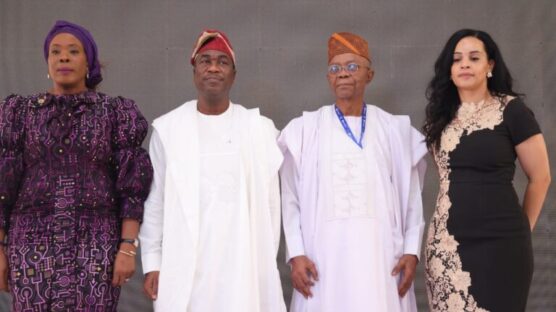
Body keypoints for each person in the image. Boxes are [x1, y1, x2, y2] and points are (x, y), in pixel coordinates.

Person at [0, 20, 153, 311]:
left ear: (89, 63)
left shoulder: (115, 113)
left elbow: (131, 187)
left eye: (73, 51)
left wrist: (127, 247)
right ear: (48, 62)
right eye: (55, 52)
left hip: (96, 248)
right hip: (31, 247)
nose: (64, 57)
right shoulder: (19, 113)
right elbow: (3, 186)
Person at [278, 32, 427, 312]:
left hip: (383, 258)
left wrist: (411, 250)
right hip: (322, 259)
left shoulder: (394, 130)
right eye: (335, 69)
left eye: (352, 67)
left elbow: (412, 197)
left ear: (369, 75)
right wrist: (296, 253)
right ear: (328, 78)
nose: (343, 74)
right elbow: (290, 198)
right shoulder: (305, 130)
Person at [139, 29, 286, 312]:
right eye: (205, 61)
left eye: (222, 61)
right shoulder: (169, 129)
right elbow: (156, 201)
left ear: (234, 73)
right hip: (185, 263)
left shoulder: (259, 129)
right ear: (194, 71)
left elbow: (271, 205)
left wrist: (264, 262)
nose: (214, 68)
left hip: (244, 263)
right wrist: (153, 262)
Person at [423, 29, 551, 312]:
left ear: (490, 65)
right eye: (457, 60)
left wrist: (521, 230)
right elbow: (447, 178)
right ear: (450, 69)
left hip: (503, 246)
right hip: (447, 246)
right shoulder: (440, 118)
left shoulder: (512, 111)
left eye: (474, 57)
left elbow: (541, 177)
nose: (465, 64)